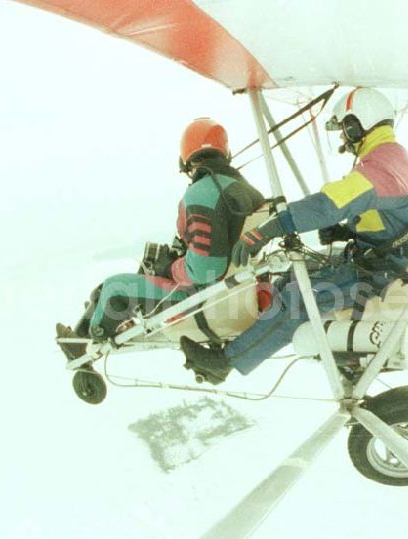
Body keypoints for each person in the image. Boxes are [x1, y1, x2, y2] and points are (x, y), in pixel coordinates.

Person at [180, 88, 408, 384]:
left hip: (381, 273)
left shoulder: (380, 168)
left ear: (355, 124)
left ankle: (225, 363)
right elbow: (394, 214)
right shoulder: (393, 158)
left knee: (296, 299)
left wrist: (269, 228)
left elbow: (327, 203)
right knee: (290, 279)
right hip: (383, 260)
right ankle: (246, 339)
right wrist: (347, 230)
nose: (344, 140)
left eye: (345, 130)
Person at [56, 118, 265, 359]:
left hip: (202, 300)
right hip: (234, 293)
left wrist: (170, 267)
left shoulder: (202, 194)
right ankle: (80, 336)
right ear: (225, 152)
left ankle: (87, 341)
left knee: (114, 288)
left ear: (185, 158)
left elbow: (206, 270)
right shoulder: (246, 190)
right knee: (112, 287)